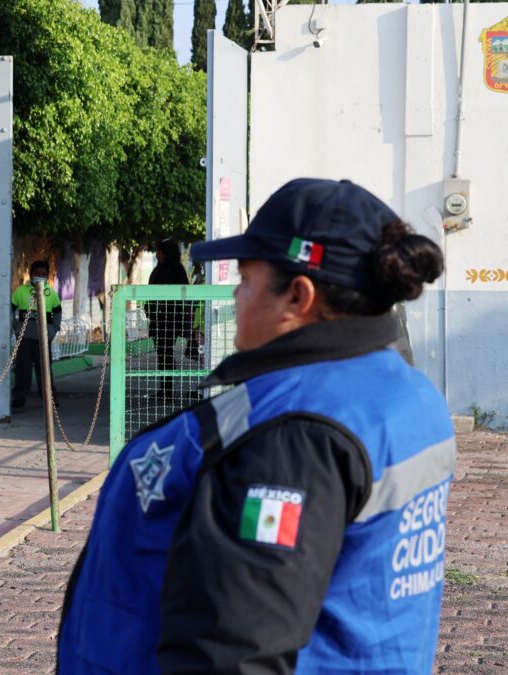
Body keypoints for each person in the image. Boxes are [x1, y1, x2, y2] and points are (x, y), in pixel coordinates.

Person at [57, 178, 454, 673]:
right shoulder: (405, 392)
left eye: (245, 280)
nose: (236, 296)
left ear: (298, 297)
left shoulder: (296, 436)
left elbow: (236, 650)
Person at [145, 239, 192, 405]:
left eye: (160, 251)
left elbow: (183, 295)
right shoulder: (158, 269)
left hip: (171, 320)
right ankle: (163, 389)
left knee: (166, 353)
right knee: (162, 353)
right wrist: (149, 310)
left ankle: (168, 390)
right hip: (157, 320)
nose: (157, 254)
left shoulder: (177, 269)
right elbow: (150, 293)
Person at [10, 259, 62, 408]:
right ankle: (19, 397)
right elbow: (11, 310)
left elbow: (58, 313)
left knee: (44, 369)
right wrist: (16, 327)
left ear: (47, 276)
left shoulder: (51, 293)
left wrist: (53, 330)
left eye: (43, 274)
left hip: (44, 338)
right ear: (31, 274)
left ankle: (49, 397)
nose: (40, 276)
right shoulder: (20, 291)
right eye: (37, 273)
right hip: (24, 338)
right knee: (22, 369)